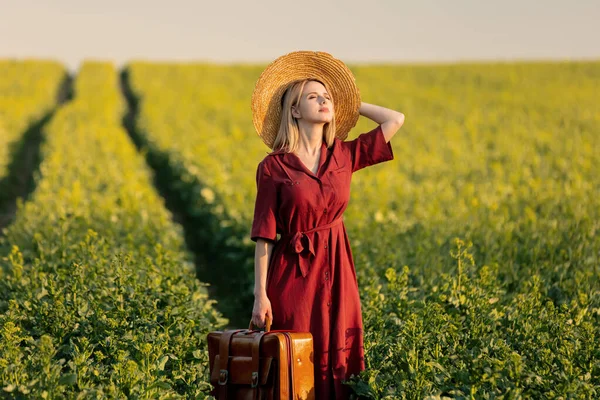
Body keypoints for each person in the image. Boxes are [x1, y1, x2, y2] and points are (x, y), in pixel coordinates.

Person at [249, 51, 405, 400]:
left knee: (340, 355)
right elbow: (264, 235)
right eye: (313, 96)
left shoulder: (344, 155)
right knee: (294, 358)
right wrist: (260, 296)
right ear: (294, 110)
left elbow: (395, 119)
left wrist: (351, 102)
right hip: (293, 273)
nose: (323, 101)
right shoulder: (274, 167)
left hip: (338, 268)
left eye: (328, 97)